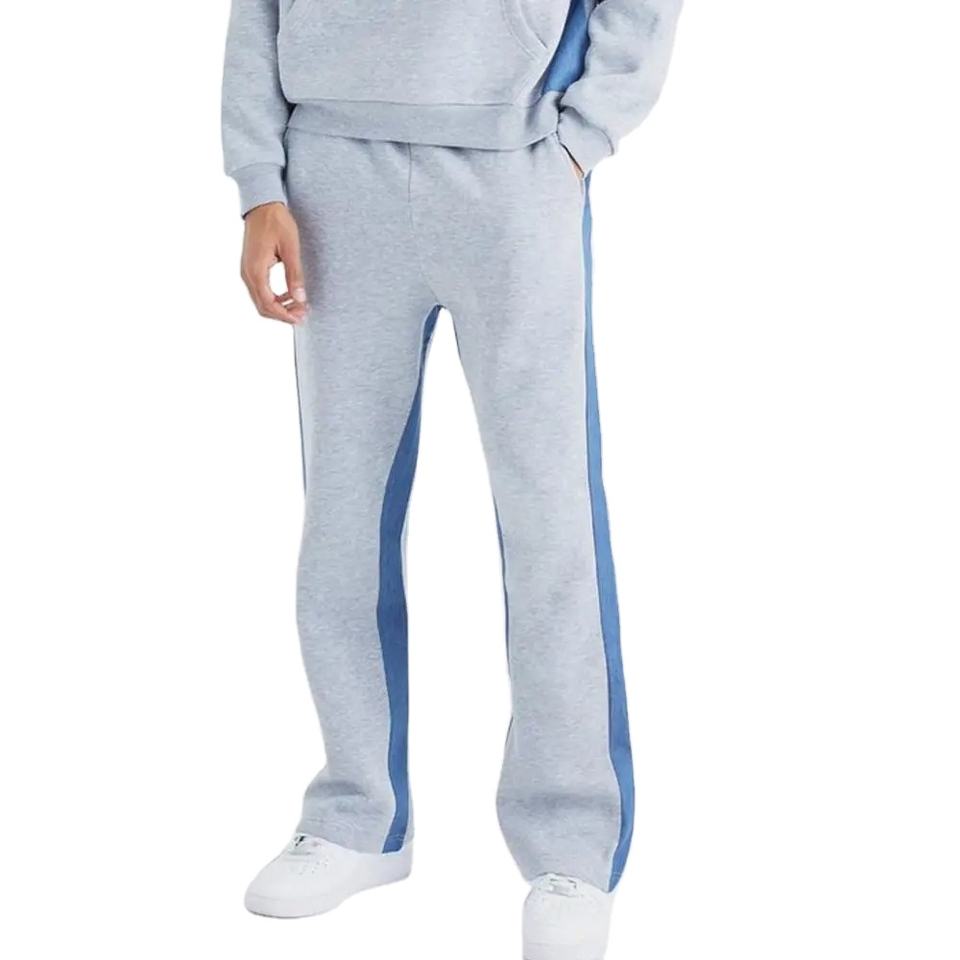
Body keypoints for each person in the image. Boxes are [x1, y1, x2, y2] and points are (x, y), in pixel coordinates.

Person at [222, 1, 683, 956]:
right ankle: (359, 817)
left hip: (515, 163)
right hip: (330, 171)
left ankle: (570, 844)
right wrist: (259, 179)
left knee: (548, 518)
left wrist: (586, 133)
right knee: (342, 520)